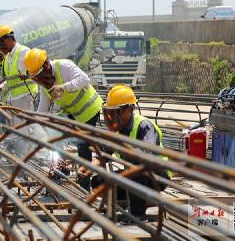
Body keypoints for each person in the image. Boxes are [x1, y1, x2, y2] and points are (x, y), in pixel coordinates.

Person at [89, 84, 172, 222]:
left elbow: (146, 157)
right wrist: (90, 166)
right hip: (134, 174)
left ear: (128, 110)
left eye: (114, 113)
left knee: (135, 167)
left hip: (156, 177)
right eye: (109, 113)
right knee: (98, 181)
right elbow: (104, 151)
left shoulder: (144, 126)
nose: (111, 117)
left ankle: (138, 215)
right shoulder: (118, 128)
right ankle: (133, 199)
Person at [23, 48, 103, 190]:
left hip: (89, 109)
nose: (39, 81)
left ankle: (85, 187)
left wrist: (64, 87)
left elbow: (85, 79)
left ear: (46, 66)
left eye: (39, 76)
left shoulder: (63, 66)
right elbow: (43, 108)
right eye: (35, 78)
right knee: (55, 133)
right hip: (73, 113)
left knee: (83, 146)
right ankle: (61, 168)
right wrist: (35, 122)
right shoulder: (44, 85)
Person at [0, 25, 38, 111]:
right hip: (13, 99)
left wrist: (27, 76)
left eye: (1, 45)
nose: (0, 48)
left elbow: (36, 73)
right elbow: (10, 80)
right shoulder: (7, 57)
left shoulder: (24, 52)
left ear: (9, 39)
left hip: (26, 97)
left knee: (27, 124)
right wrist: (0, 87)